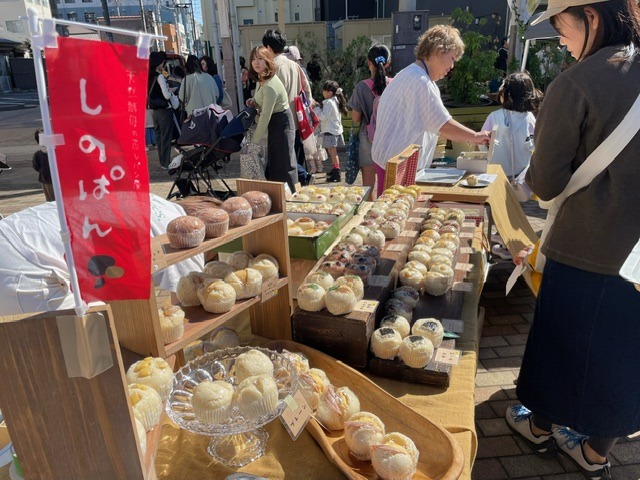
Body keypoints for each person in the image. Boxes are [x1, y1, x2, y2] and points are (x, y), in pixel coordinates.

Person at [505, 1, 640, 479]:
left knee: (561, 343)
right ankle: (596, 454)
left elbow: (545, 182)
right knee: (624, 355)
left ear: (592, 17)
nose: (561, 41)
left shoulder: (577, 83)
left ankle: (539, 427)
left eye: (562, 28)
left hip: (585, 244)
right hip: (637, 258)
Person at [0, 194, 204, 315]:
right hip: (24, 268)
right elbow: (186, 303)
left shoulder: (151, 200)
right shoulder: (182, 233)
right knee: (96, 342)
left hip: (12, 232)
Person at [371, 25, 490, 197]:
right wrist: (475, 136)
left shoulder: (411, 74)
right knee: (395, 211)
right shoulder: (420, 81)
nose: (452, 66)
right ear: (438, 51)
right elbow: (443, 125)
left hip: (391, 162)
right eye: (452, 58)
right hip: (397, 166)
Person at [262, 29, 313, 185]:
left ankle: (303, 178)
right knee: (291, 159)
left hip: (278, 122)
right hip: (297, 121)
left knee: (281, 164)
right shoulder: (294, 65)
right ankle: (300, 184)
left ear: (268, 48)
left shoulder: (271, 68)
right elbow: (307, 91)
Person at [247, 46, 298, 193]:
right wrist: (253, 101)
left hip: (281, 123)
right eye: (253, 59)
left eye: (260, 58)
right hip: (275, 123)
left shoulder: (270, 85)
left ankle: (291, 197)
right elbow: (261, 99)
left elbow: (265, 116)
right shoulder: (261, 79)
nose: (256, 62)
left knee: (284, 165)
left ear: (268, 61)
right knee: (275, 164)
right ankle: (280, 197)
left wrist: (254, 141)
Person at [348, 44, 392, 197]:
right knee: (389, 184)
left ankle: (369, 210)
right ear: (388, 63)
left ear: (369, 62)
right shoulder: (395, 84)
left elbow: (355, 118)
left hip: (368, 137)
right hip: (391, 139)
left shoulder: (361, 87)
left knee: (368, 187)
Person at [313, 80, 348, 183]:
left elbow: (323, 116)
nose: (323, 92)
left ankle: (337, 172)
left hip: (330, 131)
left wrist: (316, 109)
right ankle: (335, 168)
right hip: (334, 130)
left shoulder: (329, 102)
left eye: (325, 90)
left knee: (333, 152)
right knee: (332, 152)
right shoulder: (335, 100)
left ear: (330, 92)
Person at [148, 51, 174, 170]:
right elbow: (167, 96)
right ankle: (166, 162)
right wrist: (171, 91)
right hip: (164, 110)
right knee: (166, 137)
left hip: (154, 111)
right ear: (159, 63)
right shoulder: (159, 76)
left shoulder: (147, 76)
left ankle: (162, 161)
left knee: (159, 138)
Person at [32, 128, 54, 202]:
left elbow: (36, 167)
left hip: (46, 180)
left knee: (51, 200)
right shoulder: (58, 152)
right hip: (50, 180)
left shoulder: (38, 154)